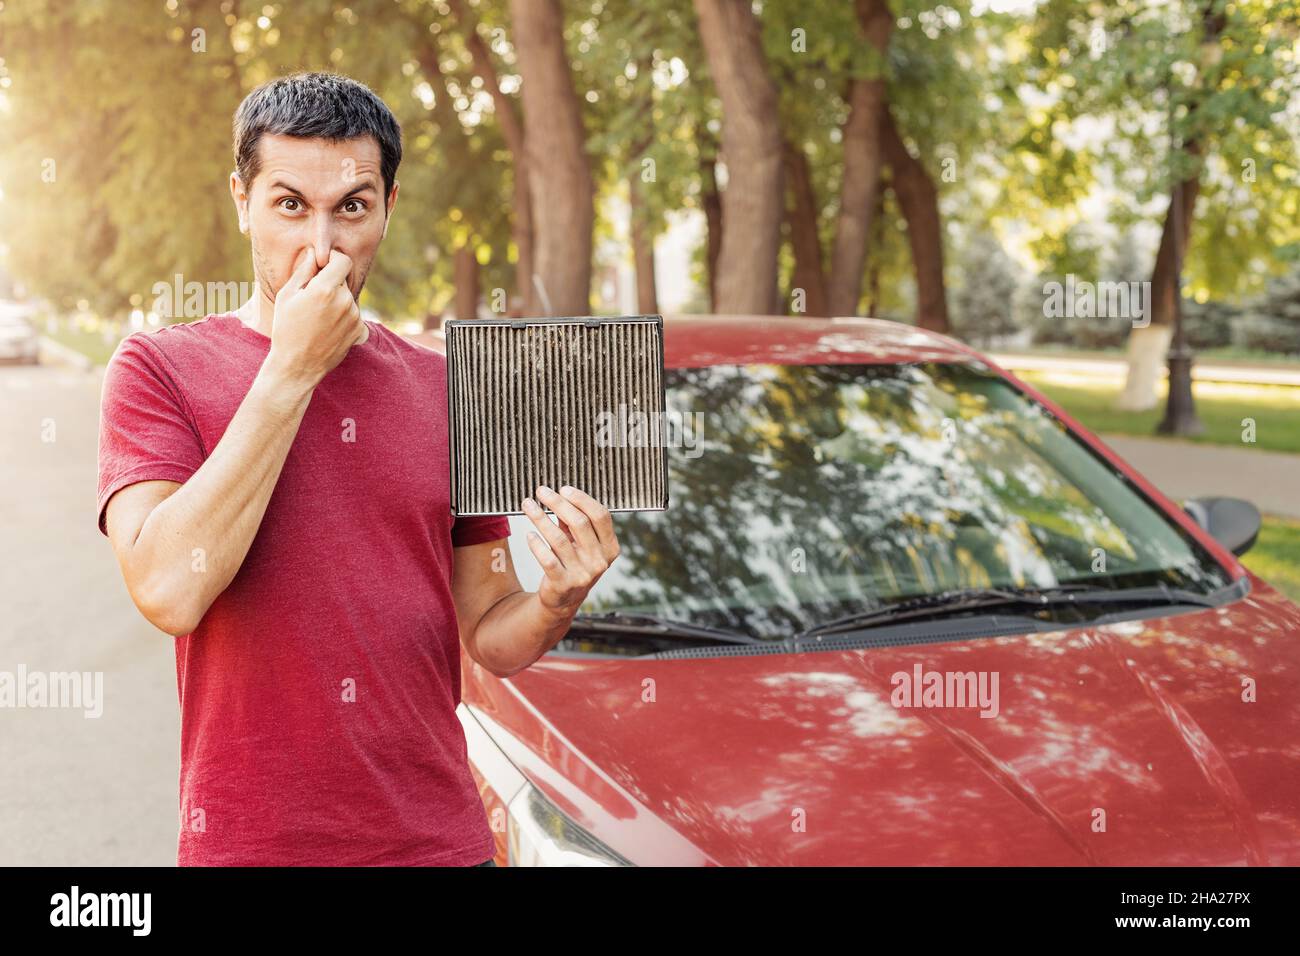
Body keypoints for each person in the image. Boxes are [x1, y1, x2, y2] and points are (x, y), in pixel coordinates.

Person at [95, 71, 620, 866]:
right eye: (289, 204)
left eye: (352, 207)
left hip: (438, 844)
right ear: (241, 199)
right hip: (252, 848)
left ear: (387, 208)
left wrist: (555, 599)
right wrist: (292, 370)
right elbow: (168, 588)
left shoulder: (451, 387)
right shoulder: (158, 369)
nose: (322, 245)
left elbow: (490, 633)